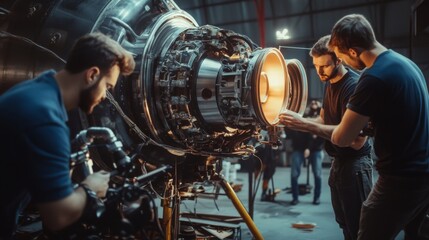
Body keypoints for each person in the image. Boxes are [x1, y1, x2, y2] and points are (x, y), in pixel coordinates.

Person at [0, 32, 136, 239]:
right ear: (92, 75)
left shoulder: (35, 92)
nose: (104, 97)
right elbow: (59, 216)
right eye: (107, 87)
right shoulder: (46, 119)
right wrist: (90, 188)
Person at [328, 14, 429, 239]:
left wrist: (319, 128)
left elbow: (343, 138)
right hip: (424, 175)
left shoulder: (373, 77)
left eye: (341, 56)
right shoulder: (405, 63)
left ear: (353, 51)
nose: (343, 62)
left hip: (400, 179)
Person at [279, 35, 373, 240]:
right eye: (315, 65)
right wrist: (298, 120)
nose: (319, 72)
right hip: (338, 162)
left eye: (325, 66)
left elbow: (357, 141)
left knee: (359, 229)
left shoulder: (354, 87)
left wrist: (305, 124)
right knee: (345, 225)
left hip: (355, 164)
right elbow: (322, 120)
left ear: (339, 60)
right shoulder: (330, 83)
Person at [287, 100, 324, 206]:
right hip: (299, 148)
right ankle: (295, 198)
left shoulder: (321, 116)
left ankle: (317, 198)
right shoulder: (304, 114)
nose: (314, 105)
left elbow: (312, 135)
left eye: (316, 103)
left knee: (317, 174)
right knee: (294, 174)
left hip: (315, 149)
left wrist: (308, 148)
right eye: (312, 103)